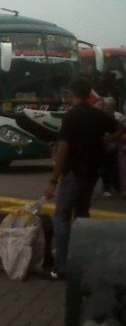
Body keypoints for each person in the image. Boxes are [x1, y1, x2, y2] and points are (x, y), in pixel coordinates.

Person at [44, 78, 126, 280]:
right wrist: (106, 140)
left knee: (61, 216)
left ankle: (62, 266)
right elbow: (122, 128)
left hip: (74, 173)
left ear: (72, 93)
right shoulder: (97, 115)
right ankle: (82, 261)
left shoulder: (71, 117)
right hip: (92, 173)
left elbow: (63, 149)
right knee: (81, 215)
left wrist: (53, 181)